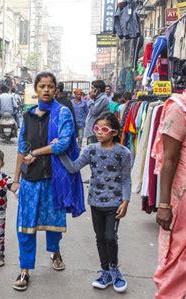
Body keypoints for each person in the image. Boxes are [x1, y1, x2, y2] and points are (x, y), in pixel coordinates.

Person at [11, 72, 85, 291]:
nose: (46, 90)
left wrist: (36, 152)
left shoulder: (63, 113)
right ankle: (25, 269)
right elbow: (21, 149)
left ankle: (54, 251)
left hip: (55, 178)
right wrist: (15, 179)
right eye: (42, 86)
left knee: (53, 223)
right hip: (30, 179)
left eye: (50, 86)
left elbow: (62, 144)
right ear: (36, 89)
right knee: (25, 225)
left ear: (56, 90)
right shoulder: (28, 115)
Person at [55, 112, 131, 293]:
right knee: (99, 238)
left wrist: (126, 201)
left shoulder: (124, 153)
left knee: (110, 238)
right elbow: (74, 168)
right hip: (95, 202)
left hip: (115, 203)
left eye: (104, 129)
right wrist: (60, 152)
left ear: (114, 132)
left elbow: (126, 180)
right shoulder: (91, 150)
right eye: (96, 128)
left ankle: (114, 270)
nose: (99, 132)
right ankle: (105, 271)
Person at [151, 92, 186, 299]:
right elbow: (169, 160)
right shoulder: (180, 107)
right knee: (178, 256)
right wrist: (164, 204)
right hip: (183, 195)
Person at [85, 80, 110, 145]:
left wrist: (91, 99)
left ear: (97, 90)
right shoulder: (97, 99)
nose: (91, 90)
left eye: (93, 88)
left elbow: (94, 111)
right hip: (91, 132)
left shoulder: (103, 99)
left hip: (95, 132)